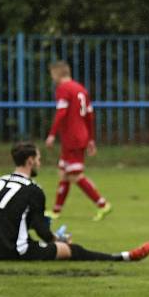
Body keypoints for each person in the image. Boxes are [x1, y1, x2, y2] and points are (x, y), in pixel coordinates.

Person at [0, 142, 149, 262]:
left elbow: (6, 219)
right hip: (17, 251)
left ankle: (122, 256)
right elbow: (41, 230)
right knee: (74, 251)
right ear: (30, 160)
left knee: (54, 247)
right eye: (38, 159)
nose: (39, 164)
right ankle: (123, 257)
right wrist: (59, 240)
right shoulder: (33, 189)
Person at [45, 60, 112, 222]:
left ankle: (103, 204)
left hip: (72, 138)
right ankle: (55, 211)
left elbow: (61, 113)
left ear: (56, 74)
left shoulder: (63, 89)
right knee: (64, 174)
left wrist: (52, 134)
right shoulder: (80, 89)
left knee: (75, 175)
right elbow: (89, 115)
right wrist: (91, 139)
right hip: (79, 136)